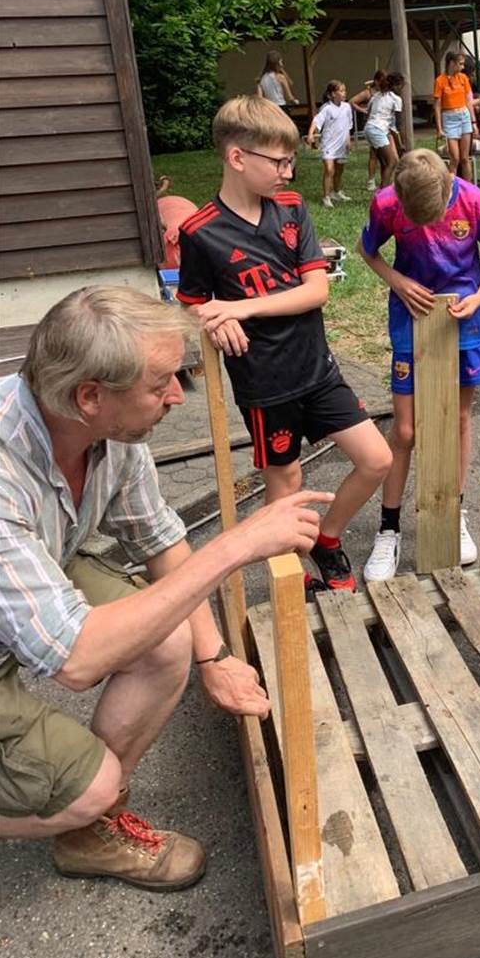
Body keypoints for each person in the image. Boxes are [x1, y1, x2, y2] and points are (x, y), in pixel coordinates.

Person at [0, 286, 329, 889]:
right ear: (89, 396)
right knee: (90, 786)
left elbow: (158, 542)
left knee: (170, 640)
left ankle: (85, 827)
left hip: (30, 570)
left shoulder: (108, 435)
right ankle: (84, 802)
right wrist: (237, 545)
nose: (177, 396)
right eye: (160, 384)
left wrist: (215, 656)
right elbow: (78, 658)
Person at [177, 96, 392, 595]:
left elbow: (316, 291)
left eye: (291, 161)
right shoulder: (200, 232)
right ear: (237, 158)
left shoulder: (293, 210)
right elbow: (192, 302)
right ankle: (291, 589)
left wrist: (240, 308)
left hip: (319, 372)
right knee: (286, 487)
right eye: (278, 162)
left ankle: (328, 538)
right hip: (265, 387)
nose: (288, 173)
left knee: (376, 459)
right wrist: (211, 322)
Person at [357, 149, 480, 581]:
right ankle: (389, 528)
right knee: (405, 430)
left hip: (461, 321)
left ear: (449, 185)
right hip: (412, 320)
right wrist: (399, 281)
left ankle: (452, 512)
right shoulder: (387, 202)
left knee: (457, 418)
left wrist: (479, 297)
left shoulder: (474, 200)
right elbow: (367, 250)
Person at [352, 72, 404, 190]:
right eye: (401, 86)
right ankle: (383, 193)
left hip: (370, 128)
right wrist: (400, 143)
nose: (401, 89)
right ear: (395, 85)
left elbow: (369, 113)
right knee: (391, 162)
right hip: (378, 130)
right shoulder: (396, 99)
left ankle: (385, 186)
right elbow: (397, 125)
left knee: (386, 161)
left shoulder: (376, 96)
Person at [306, 80, 353, 208]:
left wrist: (348, 140)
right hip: (328, 145)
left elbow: (348, 126)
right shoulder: (326, 108)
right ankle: (326, 197)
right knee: (329, 169)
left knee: (339, 170)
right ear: (332, 94)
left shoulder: (347, 107)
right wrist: (310, 134)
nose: (344, 93)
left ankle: (336, 192)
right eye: (341, 90)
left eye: (345, 90)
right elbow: (316, 121)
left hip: (341, 144)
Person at [434, 51, 477, 182]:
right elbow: (437, 106)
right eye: (460, 64)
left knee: (465, 158)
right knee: (455, 158)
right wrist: (439, 128)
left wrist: (473, 121)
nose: (463, 67)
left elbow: (469, 101)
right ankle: (451, 189)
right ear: (452, 63)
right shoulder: (440, 80)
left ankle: (469, 189)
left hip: (463, 116)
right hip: (449, 117)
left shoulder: (463, 78)